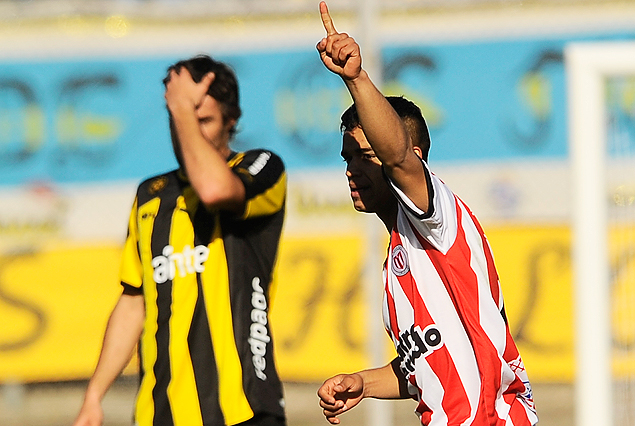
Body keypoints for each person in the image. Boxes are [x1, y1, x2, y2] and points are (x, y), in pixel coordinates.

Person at [315, 2, 538, 425]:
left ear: (415, 158)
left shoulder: (438, 220)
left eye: (365, 155)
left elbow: (397, 156)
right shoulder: (398, 263)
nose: (352, 169)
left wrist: (356, 79)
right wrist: (363, 382)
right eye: (346, 158)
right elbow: (426, 369)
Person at [72, 55, 287, 426]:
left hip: (245, 408)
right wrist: (94, 396)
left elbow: (216, 190)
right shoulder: (150, 196)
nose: (191, 130)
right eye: (181, 118)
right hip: (161, 414)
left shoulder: (261, 167)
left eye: (204, 120)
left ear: (232, 121)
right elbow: (134, 300)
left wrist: (183, 108)